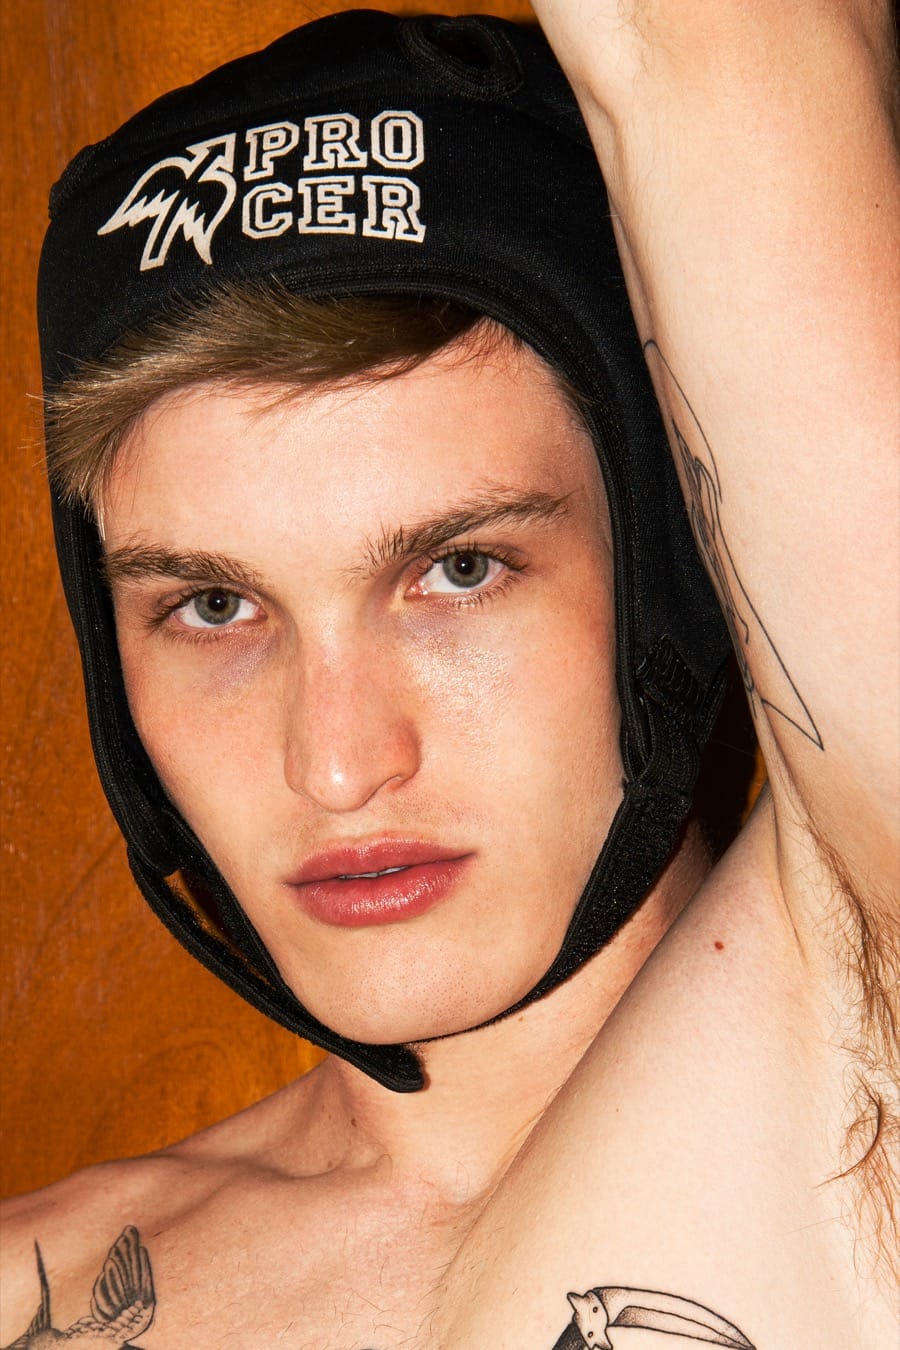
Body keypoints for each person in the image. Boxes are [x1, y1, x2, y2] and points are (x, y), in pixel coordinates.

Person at [0, 4, 895, 1349]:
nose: (338, 764)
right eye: (214, 605)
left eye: (459, 571)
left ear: (669, 562)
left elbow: (716, 46)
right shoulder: (33, 1288)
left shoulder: (861, 1083)